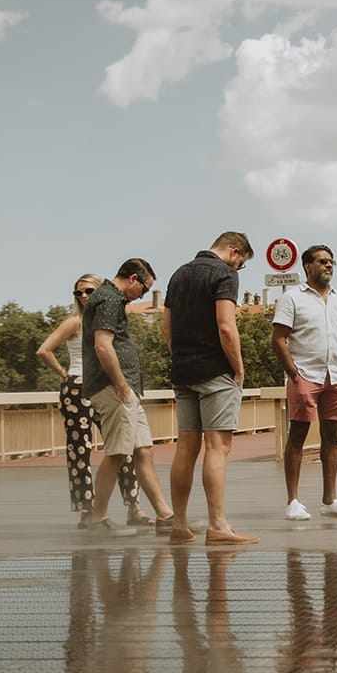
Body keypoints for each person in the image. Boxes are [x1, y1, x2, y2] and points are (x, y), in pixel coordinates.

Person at [163, 232, 259, 546]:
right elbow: (226, 326)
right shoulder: (224, 274)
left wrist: (181, 357)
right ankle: (218, 525)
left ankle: (179, 523)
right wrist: (239, 367)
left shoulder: (179, 274)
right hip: (215, 371)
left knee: (186, 448)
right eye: (241, 263)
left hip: (183, 370)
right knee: (217, 448)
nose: (239, 268)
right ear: (234, 251)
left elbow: (167, 326)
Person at [37, 274, 147, 528]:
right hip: (77, 388)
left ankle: (134, 507)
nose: (83, 297)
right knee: (80, 451)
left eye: (88, 291)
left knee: (123, 448)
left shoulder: (106, 318)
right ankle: (88, 512)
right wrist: (65, 374)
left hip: (103, 387)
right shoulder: (75, 322)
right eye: (78, 293)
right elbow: (44, 350)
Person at [80, 259, 174, 536]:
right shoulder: (109, 299)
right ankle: (98, 519)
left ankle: (165, 515)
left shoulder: (111, 298)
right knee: (118, 453)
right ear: (133, 278)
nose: (143, 296)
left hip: (125, 388)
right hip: (114, 388)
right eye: (144, 289)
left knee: (143, 450)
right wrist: (120, 384)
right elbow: (103, 345)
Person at [271, 244, 337, 520]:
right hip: (305, 375)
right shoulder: (292, 298)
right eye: (323, 261)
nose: (329, 266)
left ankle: (330, 499)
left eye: (331, 262)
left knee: (332, 436)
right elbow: (278, 339)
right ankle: (293, 501)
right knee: (298, 434)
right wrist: (293, 373)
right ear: (307, 266)